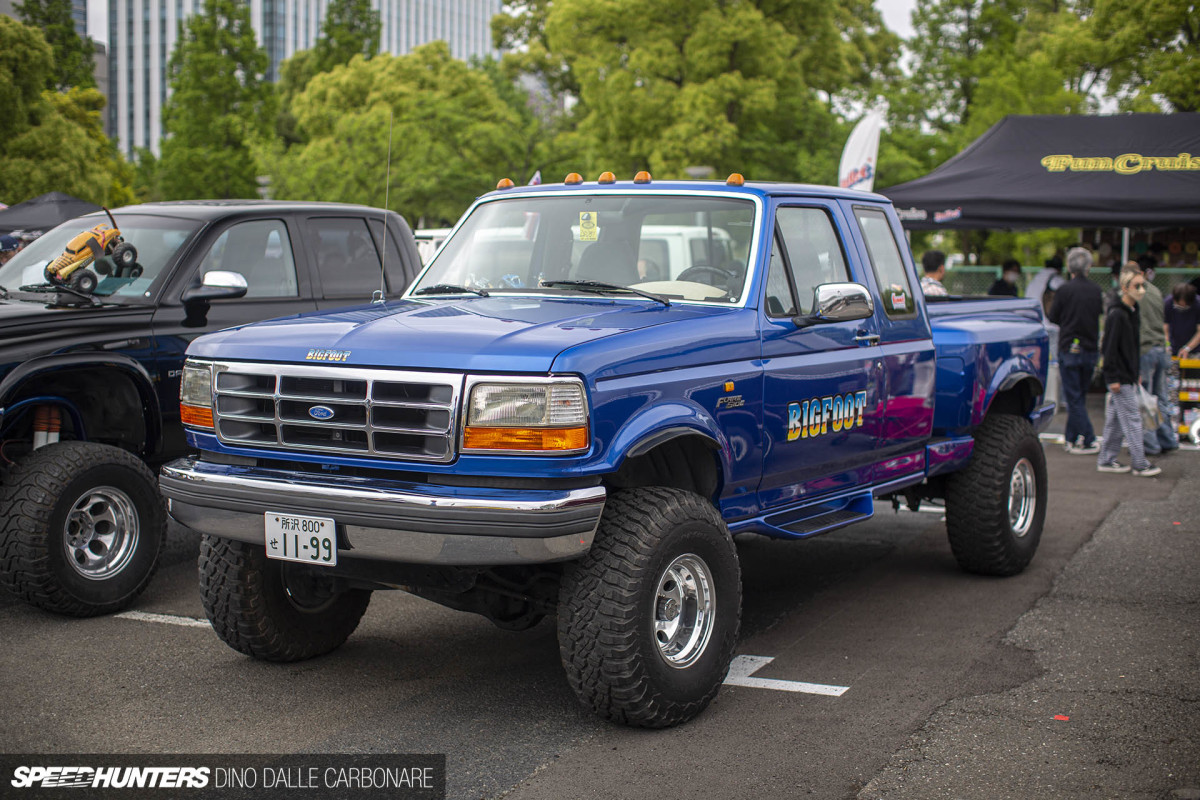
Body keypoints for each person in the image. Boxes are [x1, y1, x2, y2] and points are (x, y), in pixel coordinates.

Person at [1096, 265, 1161, 476]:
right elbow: (1109, 347)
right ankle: (1140, 463)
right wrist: (1112, 376)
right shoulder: (1118, 315)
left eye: (1142, 285)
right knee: (1132, 419)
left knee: (1116, 420)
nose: (1141, 290)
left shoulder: (1131, 312)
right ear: (1125, 287)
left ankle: (1107, 459)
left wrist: (1132, 373)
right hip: (1120, 376)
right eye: (1137, 286)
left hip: (1125, 375)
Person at [1048, 246, 1104, 454]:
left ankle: (1087, 438)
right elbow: (1099, 314)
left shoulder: (1063, 290)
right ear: (1089, 266)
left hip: (1068, 347)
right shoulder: (1096, 290)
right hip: (1090, 348)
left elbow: (1053, 317)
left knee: (1073, 397)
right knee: (1079, 395)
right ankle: (1071, 438)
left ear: (1069, 267)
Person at [1136, 254, 1178, 454]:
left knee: (1145, 399)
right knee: (1161, 398)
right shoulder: (1155, 291)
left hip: (1145, 350)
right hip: (1161, 348)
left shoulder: (1136, 291)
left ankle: (1151, 444)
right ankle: (1168, 439)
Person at [1165, 283, 1200, 360]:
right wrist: (1167, 344)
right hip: (1173, 348)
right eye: (1177, 305)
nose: (1180, 307)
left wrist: (1187, 348)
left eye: (1183, 306)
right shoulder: (1168, 302)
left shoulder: (1198, 304)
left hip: (1195, 349)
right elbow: (1165, 326)